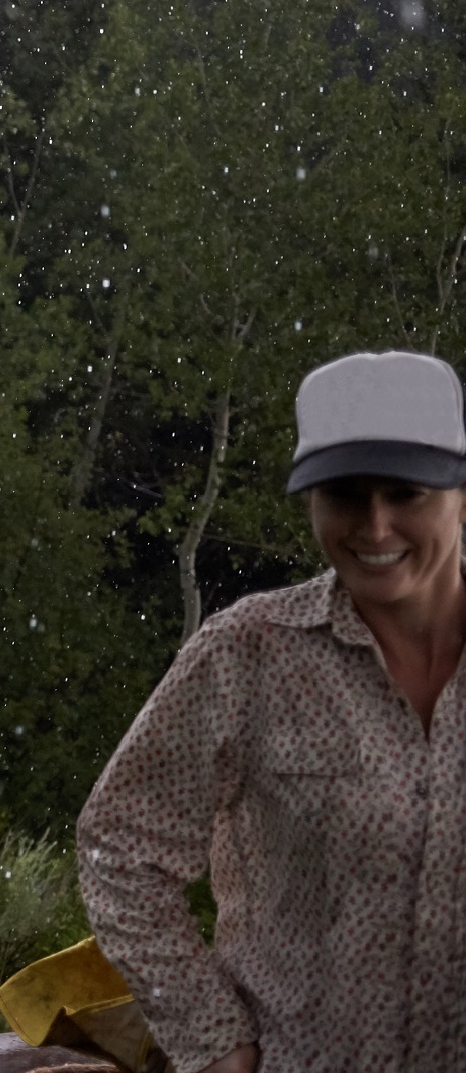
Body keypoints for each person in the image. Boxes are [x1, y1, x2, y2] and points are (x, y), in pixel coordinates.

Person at [77, 350, 466, 1073]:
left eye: (406, 494)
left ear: (461, 493)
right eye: (344, 495)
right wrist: (213, 1039)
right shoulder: (247, 654)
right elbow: (120, 847)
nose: (375, 528)